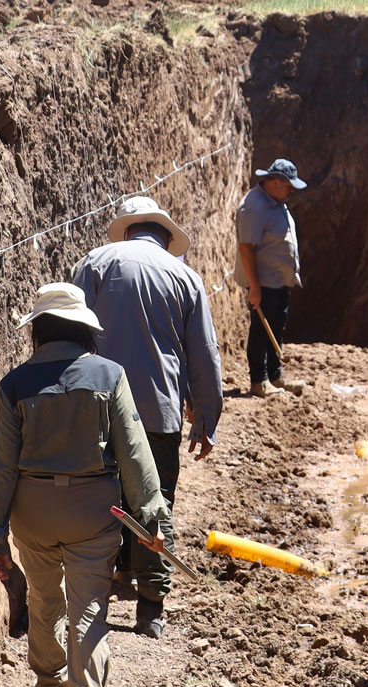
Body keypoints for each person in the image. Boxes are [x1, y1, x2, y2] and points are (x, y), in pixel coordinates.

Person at [0, 282, 168, 687]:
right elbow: (134, 453)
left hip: (33, 515)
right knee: (88, 613)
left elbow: (2, 465)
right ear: (84, 330)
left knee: (44, 600)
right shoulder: (110, 375)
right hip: (93, 514)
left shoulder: (14, 384)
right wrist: (151, 518)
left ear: (39, 330)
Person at [71, 196, 222, 640]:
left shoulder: (94, 263)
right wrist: (206, 418)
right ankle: (150, 609)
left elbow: (69, 334)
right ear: (167, 237)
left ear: (128, 230)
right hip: (157, 410)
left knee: (101, 495)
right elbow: (204, 354)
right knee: (154, 502)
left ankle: (97, 593)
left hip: (95, 407)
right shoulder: (186, 277)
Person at [234, 158, 307, 398]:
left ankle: (275, 376)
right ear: (276, 183)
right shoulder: (254, 207)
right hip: (264, 282)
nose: (291, 191)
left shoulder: (275, 201)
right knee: (260, 331)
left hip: (279, 280)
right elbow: (246, 248)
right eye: (289, 186)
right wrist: (255, 286)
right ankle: (259, 381)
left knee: (276, 327)